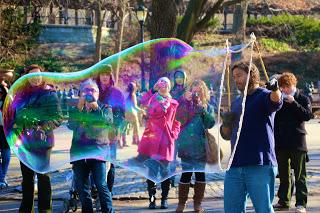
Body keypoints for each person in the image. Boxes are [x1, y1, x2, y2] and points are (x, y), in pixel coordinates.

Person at [220, 61, 282, 213]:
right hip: (234, 165)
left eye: (240, 75)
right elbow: (226, 136)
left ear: (251, 75)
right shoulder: (235, 102)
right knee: (231, 210)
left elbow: (276, 101)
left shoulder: (263, 95)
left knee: (263, 209)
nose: (236, 80)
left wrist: (275, 89)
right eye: (234, 77)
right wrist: (226, 124)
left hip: (259, 163)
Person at [12, 64, 63, 213]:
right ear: (26, 78)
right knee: (27, 179)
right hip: (25, 142)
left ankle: (45, 209)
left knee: (43, 176)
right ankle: (26, 209)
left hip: (43, 141)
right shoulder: (21, 94)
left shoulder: (49, 93)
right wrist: (18, 122)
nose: (35, 78)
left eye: (38, 75)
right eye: (32, 75)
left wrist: (42, 127)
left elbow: (58, 118)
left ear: (42, 76)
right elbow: (15, 115)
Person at [68, 79, 114, 213]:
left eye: (92, 90)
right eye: (86, 90)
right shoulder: (75, 109)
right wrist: (78, 108)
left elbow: (108, 123)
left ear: (98, 94)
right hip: (80, 153)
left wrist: (97, 109)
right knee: (81, 188)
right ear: (80, 93)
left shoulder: (105, 108)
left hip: (98, 152)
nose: (89, 93)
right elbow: (71, 125)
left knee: (101, 185)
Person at [138, 77, 181, 209]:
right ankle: (152, 200)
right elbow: (142, 101)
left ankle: (164, 199)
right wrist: (152, 90)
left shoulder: (174, 103)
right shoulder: (152, 99)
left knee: (165, 172)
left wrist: (174, 133)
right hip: (152, 140)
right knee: (151, 172)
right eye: (161, 85)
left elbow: (177, 122)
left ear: (169, 87)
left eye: (166, 85)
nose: (163, 87)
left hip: (166, 141)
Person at [273, 72, 313, 213]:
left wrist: (294, 103)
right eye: (282, 87)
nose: (285, 90)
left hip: (297, 142)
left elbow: (308, 115)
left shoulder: (302, 98)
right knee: (284, 175)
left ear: (294, 85)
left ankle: (301, 204)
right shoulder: (279, 100)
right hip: (281, 143)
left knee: (300, 175)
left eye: (287, 87)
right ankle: (283, 201)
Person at [175, 80, 215, 213]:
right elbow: (178, 119)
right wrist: (184, 101)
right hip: (186, 146)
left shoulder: (207, 107)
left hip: (200, 148)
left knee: (200, 175)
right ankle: (181, 203)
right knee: (185, 175)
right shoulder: (183, 104)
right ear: (189, 92)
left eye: (199, 91)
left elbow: (211, 123)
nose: (196, 94)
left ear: (203, 93)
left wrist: (202, 110)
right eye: (194, 91)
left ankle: (197, 203)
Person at [96, 65, 125, 195]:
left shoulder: (116, 93)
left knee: (110, 164)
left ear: (110, 76)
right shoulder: (94, 91)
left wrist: (115, 128)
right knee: (96, 163)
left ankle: (108, 193)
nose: (104, 77)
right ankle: (97, 193)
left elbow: (121, 114)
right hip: (95, 135)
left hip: (110, 134)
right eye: (102, 74)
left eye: (107, 74)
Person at [170, 69, 188, 187]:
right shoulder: (170, 91)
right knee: (173, 153)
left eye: (181, 77)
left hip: (186, 127)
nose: (179, 79)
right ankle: (171, 177)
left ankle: (186, 178)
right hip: (174, 126)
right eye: (177, 77)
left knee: (186, 154)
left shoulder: (188, 91)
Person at [123, 82, 144, 146]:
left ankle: (124, 142)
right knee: (136, 126)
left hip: (125, 113)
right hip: (132, 113)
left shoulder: (125, 94)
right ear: (134, 88)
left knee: (125, 128)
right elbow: (135, 106)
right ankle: (136, 140)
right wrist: (141, 110)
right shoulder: (133, 95)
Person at [0, 82, 10, 189]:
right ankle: (1, 178)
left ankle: (2, 177)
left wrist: (5, 88)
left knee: (6, 157)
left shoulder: (7, 103)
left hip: (5, 131)